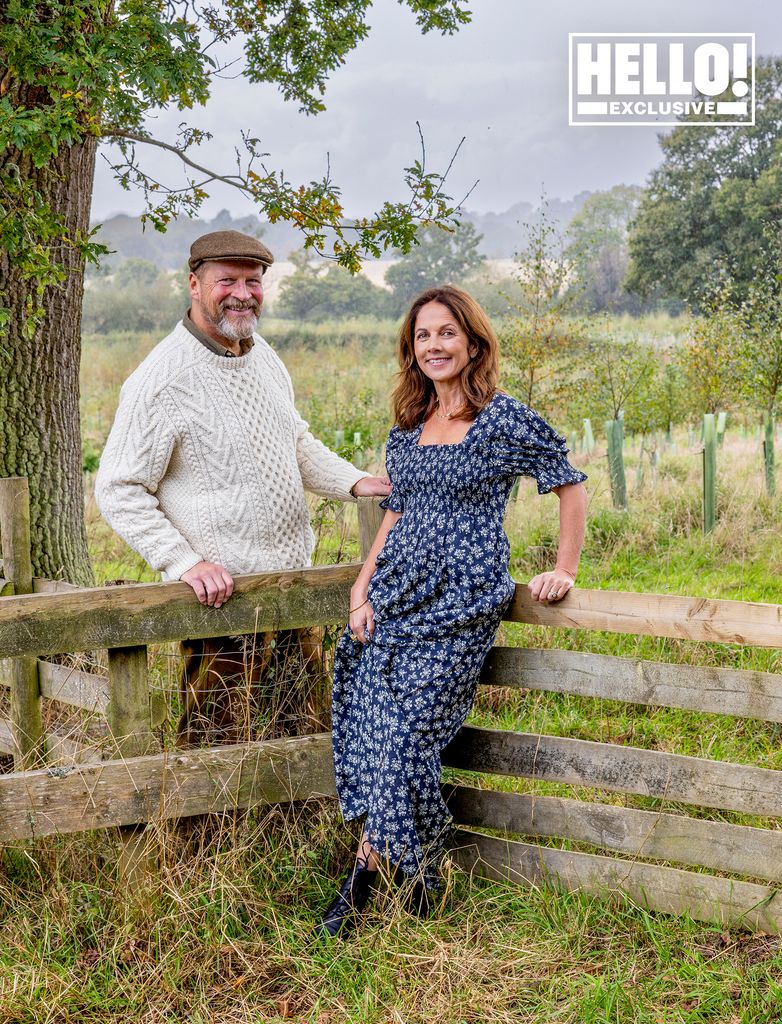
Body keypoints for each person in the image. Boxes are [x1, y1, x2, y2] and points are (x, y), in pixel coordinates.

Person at [314, 285, 588, 938]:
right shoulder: (407, 427)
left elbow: (569, 484)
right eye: (422, 336)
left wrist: (564, 568)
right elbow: (396, 513)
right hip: (394, 603)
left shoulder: (503, 419)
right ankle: (419, 879)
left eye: (445, 333)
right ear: (412, 351)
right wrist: (361, 587)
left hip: (460, 612)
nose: (433, 345)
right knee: (379, 738)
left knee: (407, 746)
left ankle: (362, 885)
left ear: (472, 342)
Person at [95, 229, 390, 744]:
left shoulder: (263, 357)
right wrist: (185, 562)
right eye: (226, 280)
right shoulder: (162, 379)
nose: (242, 292)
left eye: (252, 281)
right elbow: (118, 488)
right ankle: (201, 830)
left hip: (293, 585)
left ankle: (299, 824)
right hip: (222, 601)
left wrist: (356, 482)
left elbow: (294, 440)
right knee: (217, 741)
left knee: (304, 731)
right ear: (194, 283)